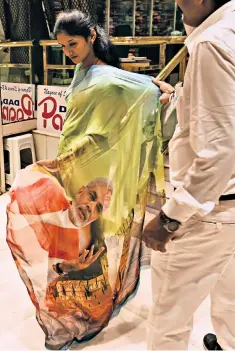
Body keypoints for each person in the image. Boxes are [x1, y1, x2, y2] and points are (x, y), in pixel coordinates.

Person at [7, 10, 164, 350]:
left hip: (89, 167)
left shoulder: (108, 76)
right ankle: (64, 305)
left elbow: (149, 90)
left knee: (92, 239)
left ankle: (89, 306)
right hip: (70, 166)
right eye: (63, 46)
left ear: (92, 36)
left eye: (73, 43)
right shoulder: (81, 71)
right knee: (61, 237)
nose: (69, 52)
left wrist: (161, 87)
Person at [143, 0, 235, 350]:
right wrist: (183, 96)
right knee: (231, 302)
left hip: (211, 210)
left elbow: (220, 150)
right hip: (226, 206)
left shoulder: (213, 42)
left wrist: (170, 218)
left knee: (168, 320)